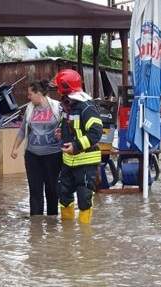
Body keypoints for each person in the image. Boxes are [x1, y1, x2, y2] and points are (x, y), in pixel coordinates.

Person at [53, 69, 103, 224]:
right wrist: (62, 133)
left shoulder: (86, 107)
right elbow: (72, 127)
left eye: (58, 88)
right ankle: (67, 236)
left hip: (86, 162)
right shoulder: (68, 106)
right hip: (68, 162)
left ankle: (84, 238)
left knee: (84, 199)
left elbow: (96, 132)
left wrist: (76, 146)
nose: (57, 91)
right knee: (64, 196)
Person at [11, 80, 62, 216]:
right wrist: (15, 148)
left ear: (39, 93)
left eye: (30, 94)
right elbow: (23, 130)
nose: (28, 97)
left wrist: (63, 137)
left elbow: (67, 128)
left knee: (52, 190)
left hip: (53, 156)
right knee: (35, 191)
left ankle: (52, 223)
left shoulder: (57, 107)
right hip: (32, 156)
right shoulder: (29, 108)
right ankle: (36, 226)